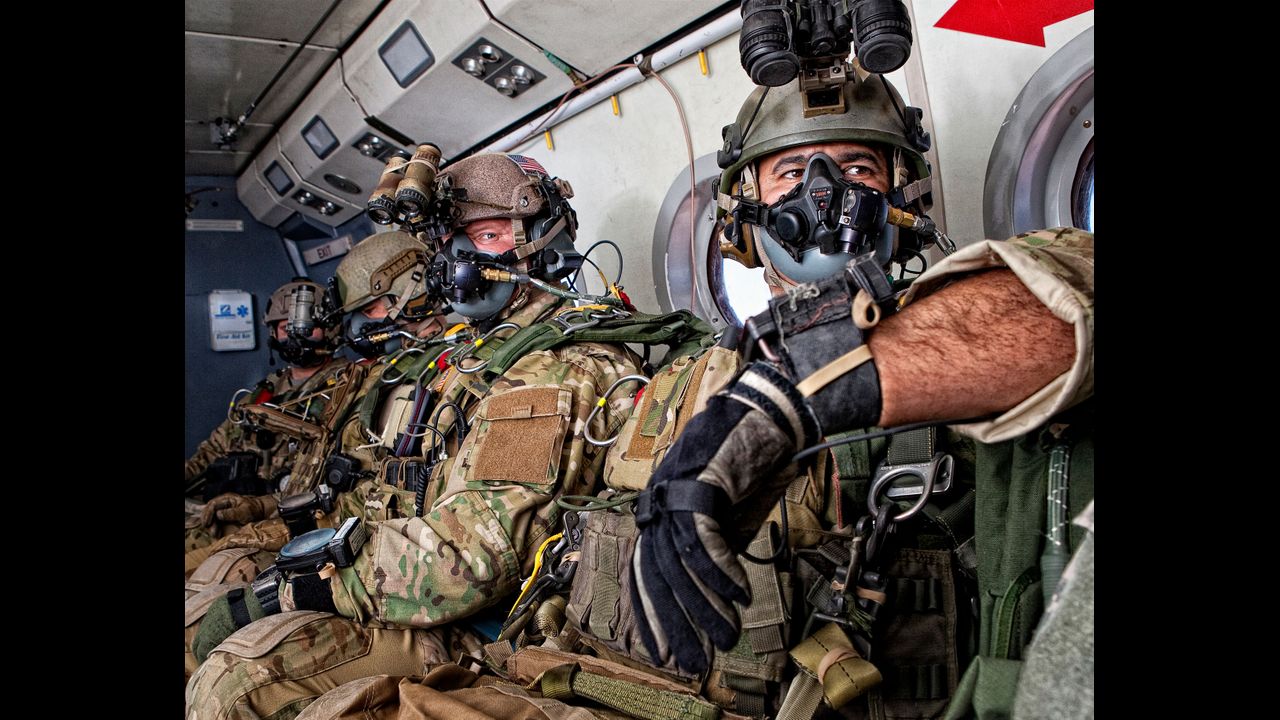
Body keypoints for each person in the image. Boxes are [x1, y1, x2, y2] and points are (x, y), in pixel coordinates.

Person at [284, 71, 1093, 720]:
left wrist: (792, 394)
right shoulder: (686, 371)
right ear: (743, 216)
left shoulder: (968, 344)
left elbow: (1066, 288)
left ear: (902, 196)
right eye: (792, 174)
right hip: (600, 681)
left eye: (857, 170)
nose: (825, 197)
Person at [185, 153, 663, 719]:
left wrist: (299, 589)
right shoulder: (482, 354)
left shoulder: (560, 367)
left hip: (485, 630)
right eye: (451, 242)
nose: (460, 260)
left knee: (237, 682)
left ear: (542, 238)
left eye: (485, 235)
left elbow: (474, 556)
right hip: (425, 594)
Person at [185, 277, 349, 576]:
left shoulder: (346, 388)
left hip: (282, 520)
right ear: (273, 332)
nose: (295, 337)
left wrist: (260, 506)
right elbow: (212, 451)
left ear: (330, 329)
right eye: (286, 328)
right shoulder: (262, 394)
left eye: (305, 327)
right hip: (227, 511)